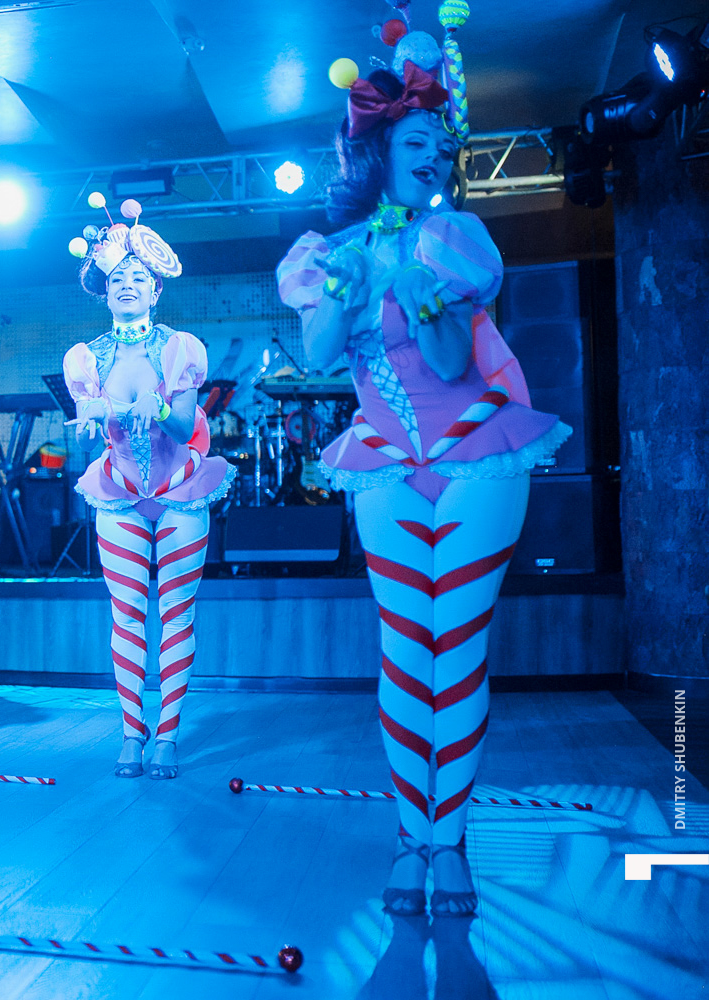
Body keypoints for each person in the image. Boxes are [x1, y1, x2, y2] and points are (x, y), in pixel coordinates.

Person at [275, 15, 569, 916]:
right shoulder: (334, 254)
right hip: (385, 461)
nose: (433, 157)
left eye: (441, 146)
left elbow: (447, 364)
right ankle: (415, 839)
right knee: (405, 647)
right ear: (377, 152)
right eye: (415, 143)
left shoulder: (458, 240)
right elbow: (321, 355)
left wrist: (422, 297)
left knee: (458, 648)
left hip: (478, 456)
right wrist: (348, 293)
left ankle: (453, 838)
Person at [63, 200, 234, 780]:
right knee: (127, 616)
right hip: (119, 494)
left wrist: (155, 406)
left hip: (181, 490)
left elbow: (184, 428)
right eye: (117, 278)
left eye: (138, 277)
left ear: (156, 289)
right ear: (105, 292)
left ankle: (168, 737)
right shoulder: (86, 358)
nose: (127, 285)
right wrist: (91, 419)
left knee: (176, 614)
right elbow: (92, 431)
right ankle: (132, 734)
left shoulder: (178, 348)